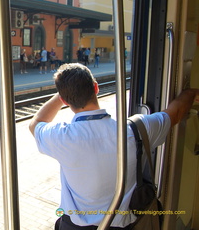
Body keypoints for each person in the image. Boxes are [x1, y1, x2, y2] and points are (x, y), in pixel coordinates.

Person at [29, 63, 198, 229]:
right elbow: (175, 113)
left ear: (64, 101)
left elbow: (36, 123)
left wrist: (62, 95)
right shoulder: (136, 130)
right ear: (96, 88)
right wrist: (190, 93)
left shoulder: (60, 137)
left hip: (74, 226)